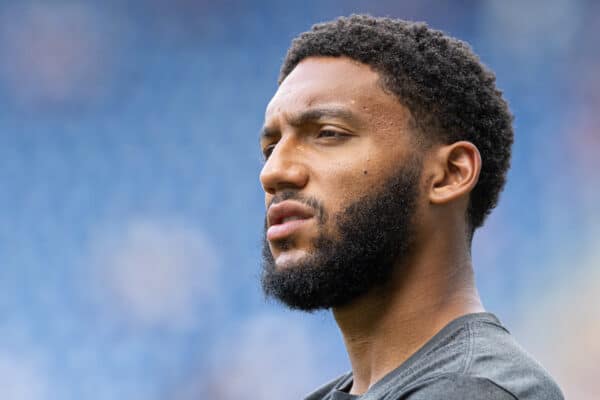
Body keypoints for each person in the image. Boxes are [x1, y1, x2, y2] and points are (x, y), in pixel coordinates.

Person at [258, 15, 563, 400]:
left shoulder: (476, 391)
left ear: (450, 173)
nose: (274, 172)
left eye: (328, 134)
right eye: (270, 148)